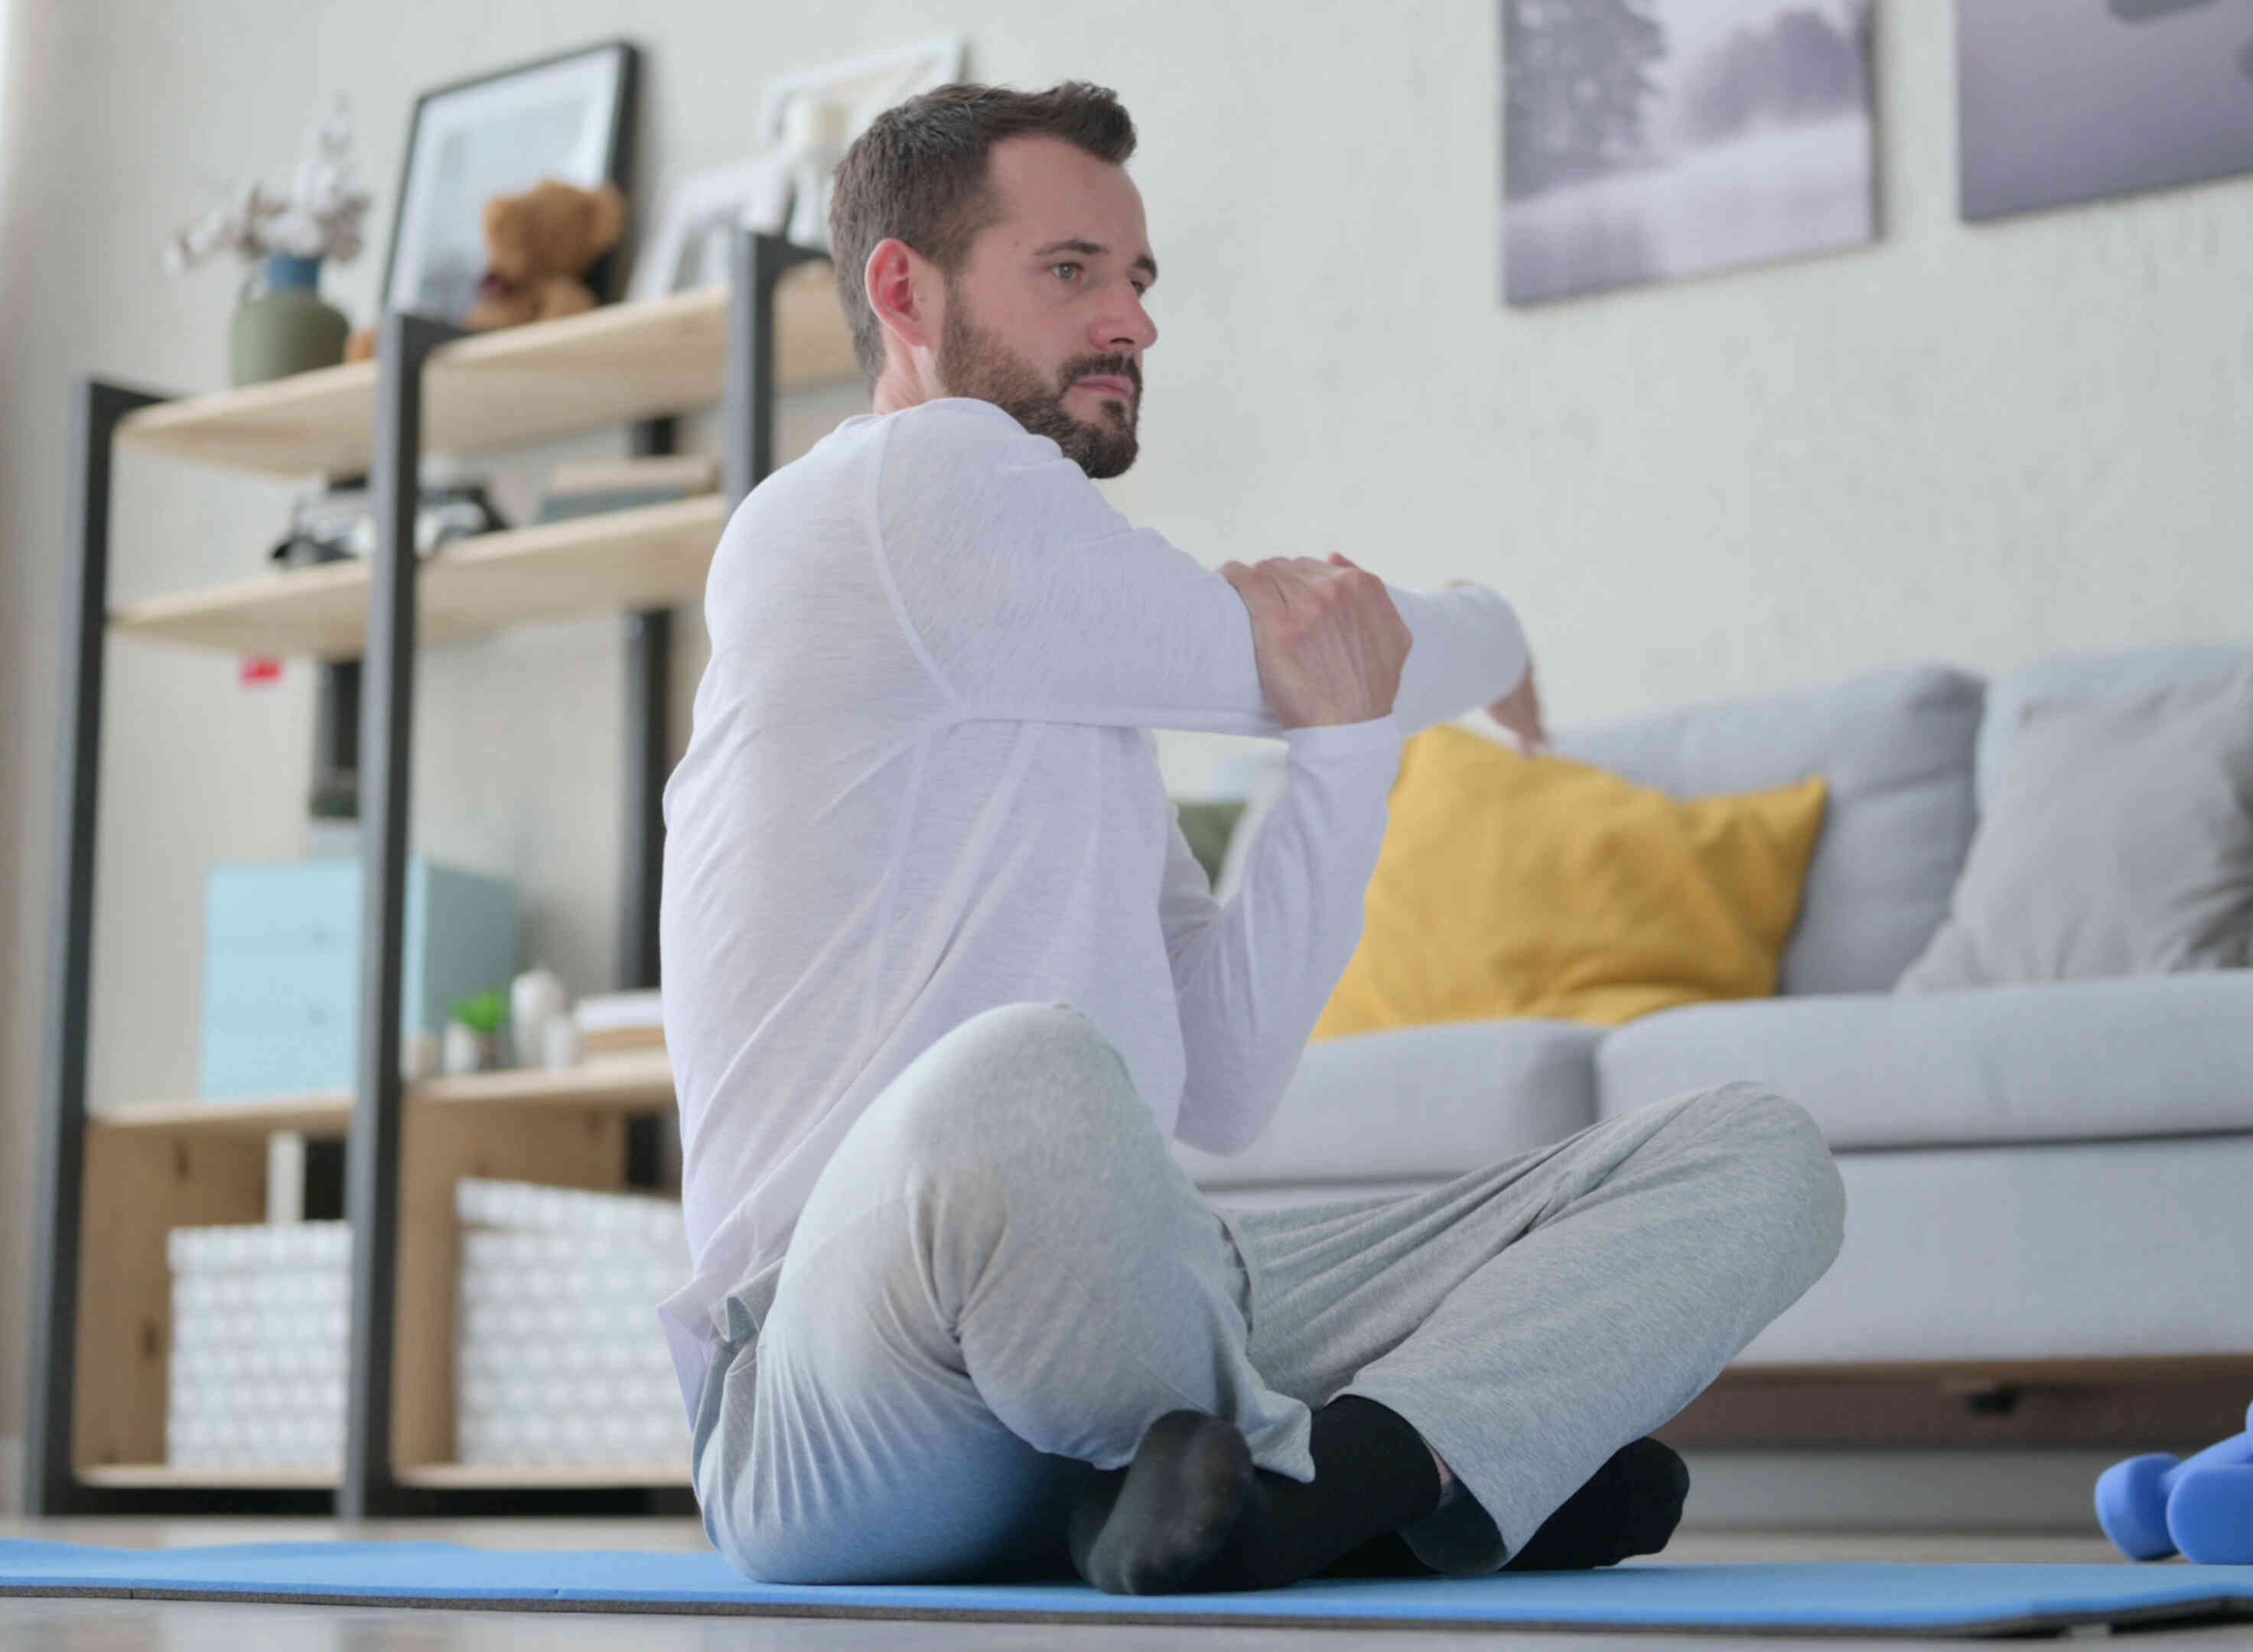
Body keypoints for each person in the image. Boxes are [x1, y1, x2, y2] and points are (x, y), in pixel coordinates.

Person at [656, 79, 1846, 1595]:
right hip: (834, 1396)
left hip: (1123, 1358)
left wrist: (1351, 755)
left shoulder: (1075, 688)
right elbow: (1319, 648)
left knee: (1758, 1156)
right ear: (907, 287)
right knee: (1027, 1075)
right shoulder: (899, 498)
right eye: (1071, 270)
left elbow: (1225, 1081)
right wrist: (1494, 633)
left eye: (1140, 279)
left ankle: (1307, 1496)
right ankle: (1428, 1474)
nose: (1136, 322)